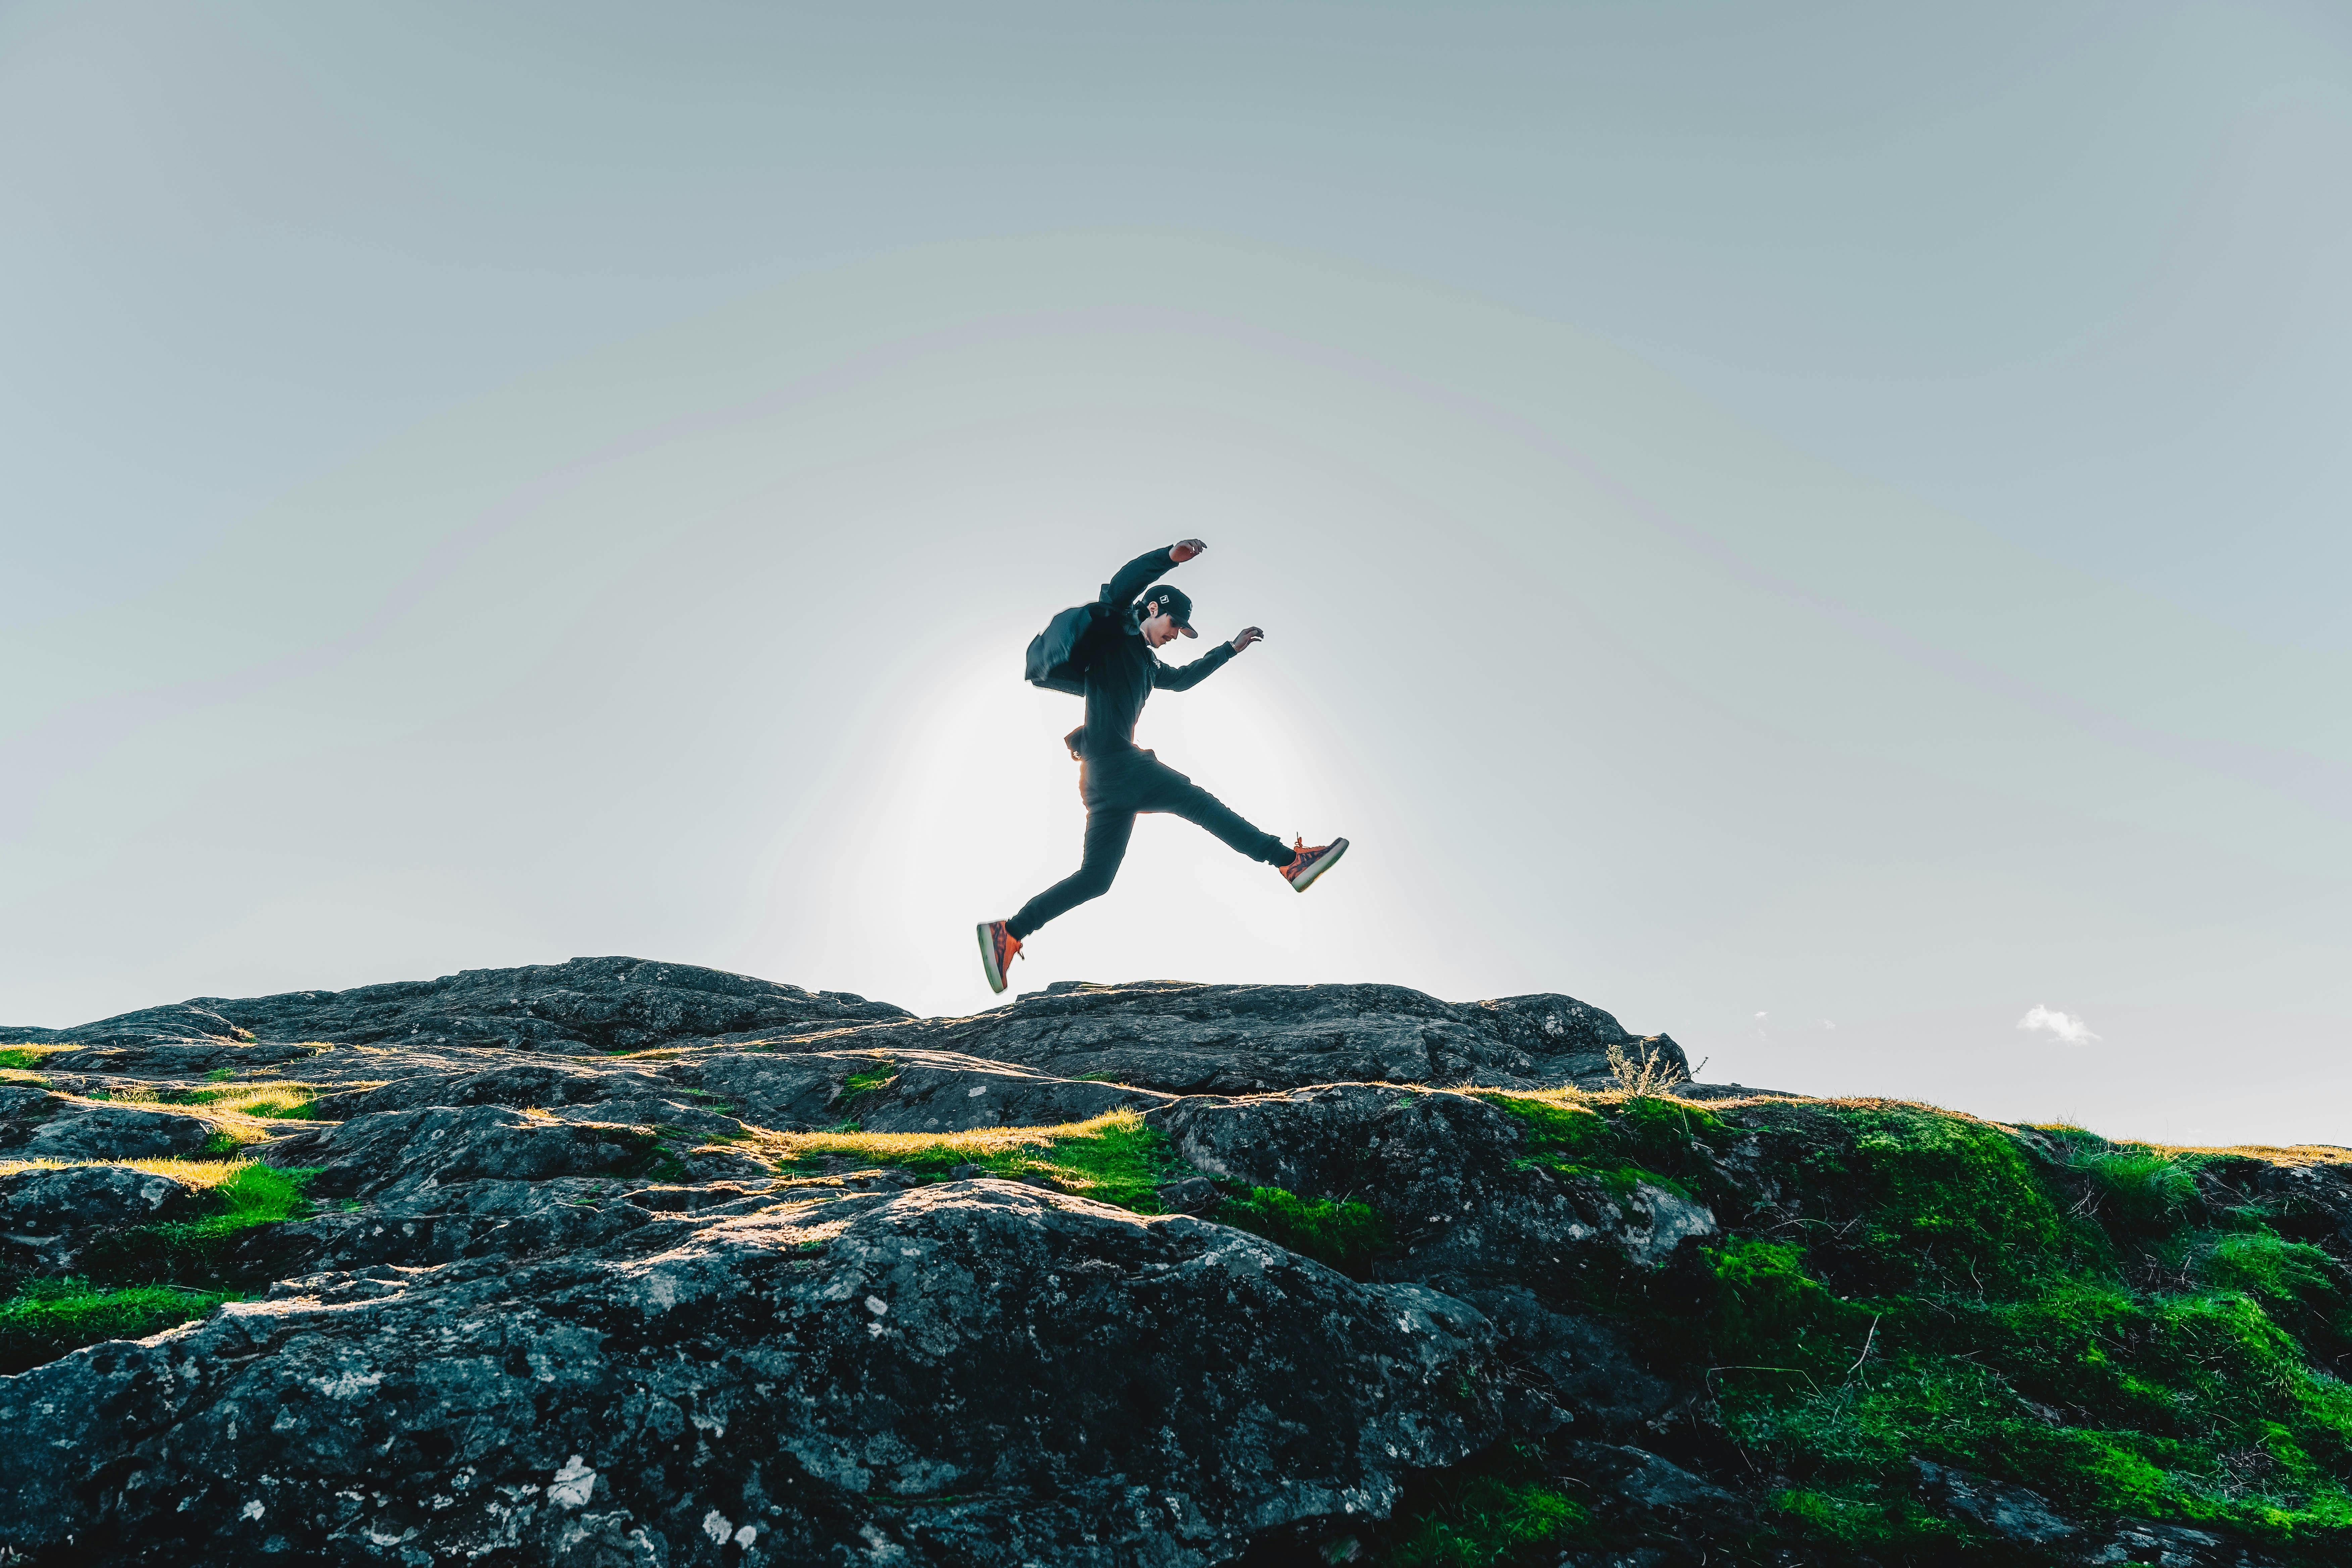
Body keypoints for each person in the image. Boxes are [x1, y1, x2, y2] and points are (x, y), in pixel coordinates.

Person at [977, 539, 1346, 994]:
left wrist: (1229, 650)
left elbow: (1184, 679)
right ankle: (1289, 861)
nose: (1175, 636)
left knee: (1096, 879)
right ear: (1154, 609)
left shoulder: (1149, 665)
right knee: (1198, 803)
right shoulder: (1116, 632)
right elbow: (1121, 588)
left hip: (1101, 781)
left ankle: (1009, 932)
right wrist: (1169, 557)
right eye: (1174, 625)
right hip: (1117, 764)